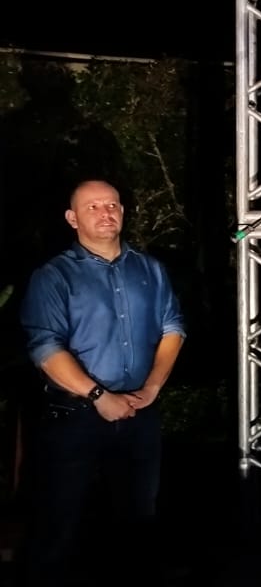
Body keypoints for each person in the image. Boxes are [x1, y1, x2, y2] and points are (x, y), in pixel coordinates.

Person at [19, 179, 185, 587]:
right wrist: (97, 395)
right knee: (60, 525)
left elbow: (173, 328)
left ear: (123, 212)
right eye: (93, 206)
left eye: (112, 204)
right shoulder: (53, 276)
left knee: (136, 524)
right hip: (73, 418)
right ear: (72, 218)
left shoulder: (150, 270)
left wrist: (152, 388)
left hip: (138, 417)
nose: (106, 212)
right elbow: (44, 347)